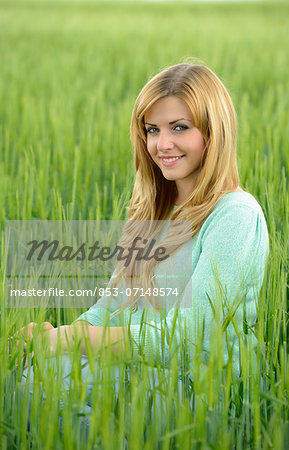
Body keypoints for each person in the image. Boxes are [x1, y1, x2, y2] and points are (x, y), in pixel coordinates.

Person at [18, 61, 269, 435]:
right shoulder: (153, 211)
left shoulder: (235, 216)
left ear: (214, 133)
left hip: (200, 387)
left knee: (48, 399)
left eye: (179, 128)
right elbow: (114, 304)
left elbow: (189, 337)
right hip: (142, 368)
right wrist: (58, 334)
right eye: (152, 130)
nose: (161, 144)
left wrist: (75, 340)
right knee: (27, 380)